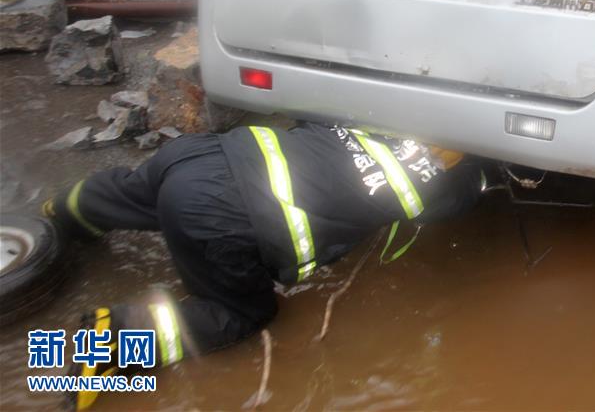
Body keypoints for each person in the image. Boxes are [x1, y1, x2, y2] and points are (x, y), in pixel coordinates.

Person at [42, 122, 487, 410]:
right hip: (218, 215)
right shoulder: (432, 188)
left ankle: (59, 214)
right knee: (243, 314)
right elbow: (469, 192)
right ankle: (114, 338)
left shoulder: (370, 115)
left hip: (196, 155)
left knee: (132, 194)